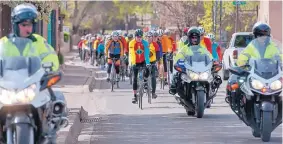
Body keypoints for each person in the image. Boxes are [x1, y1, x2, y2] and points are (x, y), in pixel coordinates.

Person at [227, 22, 282, 102]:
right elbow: (243, 56)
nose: (262, 38)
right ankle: (239, 102)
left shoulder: (273, 46)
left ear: (268, 36)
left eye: (265, 36)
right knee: (236, 82)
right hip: (255, 73)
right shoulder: (251, 47)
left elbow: (280, 55)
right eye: (260, 36)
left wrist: (280, 59)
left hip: (271, 73)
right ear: (255, 36)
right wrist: (241, 64)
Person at [0, 3, 59, 71]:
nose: (27, 29)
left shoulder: (39, 41)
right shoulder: (3, 43)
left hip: (34, 80)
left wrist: (45, 69)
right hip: (9, 80)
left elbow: (51, 58)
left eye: (30, 25)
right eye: (24, 25)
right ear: (15, 25)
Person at [169, 27, 212, 95]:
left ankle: (210, 92)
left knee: (211, 77)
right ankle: (174, 88)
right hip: (188, 69)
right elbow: (178, 57)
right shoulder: (184, 48)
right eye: (193, 38)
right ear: (189, 38)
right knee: (177, 75)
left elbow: (209, 56)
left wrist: (214, 61)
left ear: (198, 38)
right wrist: (179, 62)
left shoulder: (202, 48)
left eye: (196, 37)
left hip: (201, 69)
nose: (194, 39)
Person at [129, 29, 150, 104]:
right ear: (135, 37)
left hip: (143, 61)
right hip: (135, 61)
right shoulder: (132, 43)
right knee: (135, 78)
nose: (139, 38)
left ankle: (145, 81)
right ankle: (135, 96)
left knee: (148, 70)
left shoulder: (145, 43)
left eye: (141, 37)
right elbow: (132, 53)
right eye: (138, 37)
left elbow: (147, 54)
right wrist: (133, 63)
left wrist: (147, 63)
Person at [146, 31, 159, 99]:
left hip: (153, 62)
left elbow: (157, 53)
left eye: (150, 37)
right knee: (145, 74)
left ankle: (153, 93)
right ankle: (144, 85)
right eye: (148, 37)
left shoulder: (155, 44)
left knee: (153, 77)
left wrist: (157, 60)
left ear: (152, 38)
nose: (149, 38)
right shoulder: (143, 44)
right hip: (145, 62)